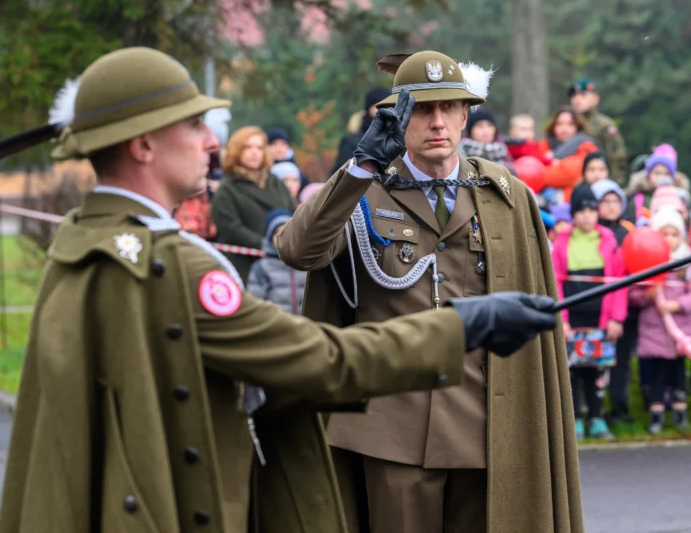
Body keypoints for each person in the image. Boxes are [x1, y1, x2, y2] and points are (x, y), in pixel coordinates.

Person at [0, 47, 562, 533]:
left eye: (451, 107)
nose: (213, 141)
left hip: (478, 420)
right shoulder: (174, 265)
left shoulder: (81, 246)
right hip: (361, 435)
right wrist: (466, 325)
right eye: (194, 125)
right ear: (144, 144)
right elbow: (321, 356)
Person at [277, 50, 583, 533]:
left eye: (449, 107)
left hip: (487, 423)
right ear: (398, 117)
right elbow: (298, 250)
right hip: (389, 425)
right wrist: (361, 166)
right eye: (422, 109)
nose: (437, 122)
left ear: (466, 116)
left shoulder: (505, 195)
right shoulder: (362, 190)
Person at [552, 183, 627, 440]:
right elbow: (556, 283)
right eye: (581, 211)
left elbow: (619, 282)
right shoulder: (562, 243)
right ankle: (574, 421)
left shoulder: (609, 240)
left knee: (597, 371)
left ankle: (597, 418)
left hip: (601, 317)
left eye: (591, 210)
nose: (587, 216)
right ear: (573, 214)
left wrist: (617, 318)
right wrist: (561, 320)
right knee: (571, 370)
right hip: (572, 317)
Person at [630, 206, 691, 434]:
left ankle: (680, 414)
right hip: (655, 330)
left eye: (674, 234)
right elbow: (633, 295)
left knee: (679, 372)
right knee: (657, 374)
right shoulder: (646, 262)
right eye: (665, 234)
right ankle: (656, 415)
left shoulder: (687, 264)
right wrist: (647, 296)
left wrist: (677, 305)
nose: (669, 239)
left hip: (681, 329)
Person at [211, 126, 297, 282]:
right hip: (246, 269)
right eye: (248, 147)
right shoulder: (227, 189)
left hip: (282, 268)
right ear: (236, 151)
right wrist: (268, 244)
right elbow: (231, 228)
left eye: (259, 147)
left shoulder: (276, 183)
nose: (254, 152)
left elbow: (294, 214)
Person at [591, 178, 637, 425]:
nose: (611, 206)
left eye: (615, 201)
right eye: (605, 201)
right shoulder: (592, 234)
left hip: (627, 306)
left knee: (622, 360)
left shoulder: (629, 232)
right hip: (598, 307)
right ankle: (594, 409)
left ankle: (620, 405)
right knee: (595, 361)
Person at [568, 77, 628, 185]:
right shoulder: (566, 123)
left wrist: (614, 184)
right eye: (573, 95)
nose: (577, 99)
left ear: (595, 99)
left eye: (583, 95)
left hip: (599, 180)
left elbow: (617, 156)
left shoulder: (603, 125)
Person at [247, 209, 307, 314]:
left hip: (306, 323)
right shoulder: (261, 269)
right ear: (270, 238)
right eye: (276, 233)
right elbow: (255, 306)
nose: (282, 237)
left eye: (286, 232)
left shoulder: (307, 264)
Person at [538, 105, 599, 203]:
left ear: (578, 127)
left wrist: (546, 168)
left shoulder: (587, 146)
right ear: (553, 126)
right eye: (559, 124)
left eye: (570, 124)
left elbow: (571, 173)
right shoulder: (543, 145)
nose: (564, 129)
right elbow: (528, 172)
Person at [332, 87, 391, 173]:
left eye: (388, 106)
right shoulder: (351, 142)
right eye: (379, 106)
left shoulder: (399, 141)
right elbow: (340, 175)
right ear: (369, 108)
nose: (384, 110)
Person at [457, 108, 515, 173]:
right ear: (471, 130)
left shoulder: (503, 151)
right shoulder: (459, 154)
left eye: (489, 125)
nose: (485, 130)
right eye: (480, 125)